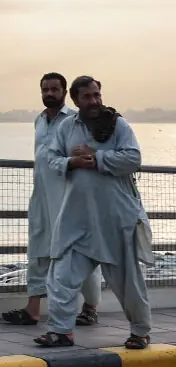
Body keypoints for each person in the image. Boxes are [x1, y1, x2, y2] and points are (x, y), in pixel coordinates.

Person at [34, 76, 152, 349]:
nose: (94, 101)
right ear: (75, 100)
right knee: (61, 275)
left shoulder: (117, 124)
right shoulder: (66, 127)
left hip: (115, 219)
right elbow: (51, 159)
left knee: (128, 282)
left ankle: (140, 331)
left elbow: (133, 158)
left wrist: (96, 158)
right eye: (87, 97)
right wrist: (71, 162)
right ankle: (61, 331)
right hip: (77, 218)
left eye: (97, 95)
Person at [2, 73, 103, 326]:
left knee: (79, 251)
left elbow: (86, 155)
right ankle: (33, 308)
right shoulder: (39, 120)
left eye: (54, 89)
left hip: (69, 197)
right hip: (41, 197)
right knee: (38, 249)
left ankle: (90, 307)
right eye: (45, 89)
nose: (49, 93)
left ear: (64, 92)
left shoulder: (74, 120)